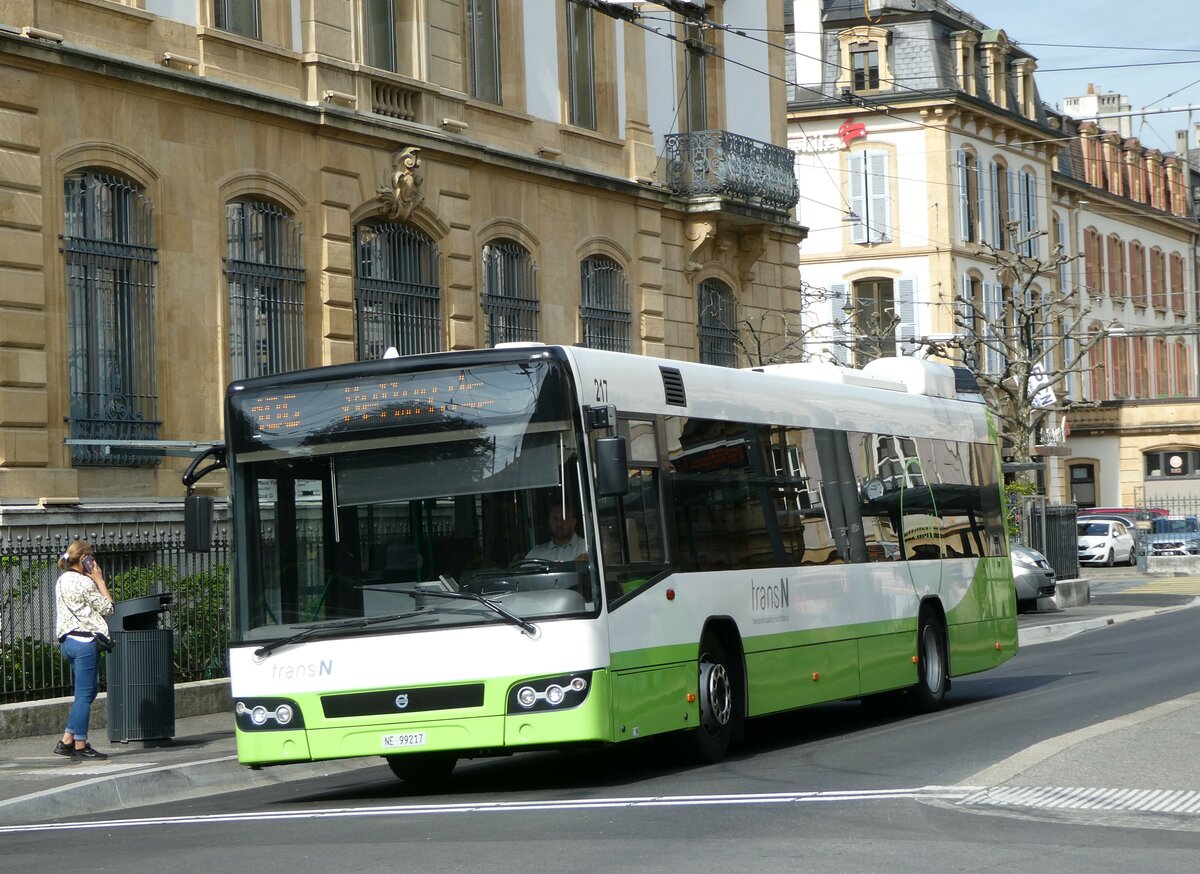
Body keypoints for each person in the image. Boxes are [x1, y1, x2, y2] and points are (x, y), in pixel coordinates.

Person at [53, 540, 114, 760]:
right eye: (91, 558)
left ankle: (67, 739)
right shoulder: (84, 583)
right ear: (85, 560)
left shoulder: (61, 580)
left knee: (89, 691)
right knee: (83, 696)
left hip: (68, 643)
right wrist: (99, 579)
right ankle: (80, 744)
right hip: (84, 643)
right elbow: (108, 607)